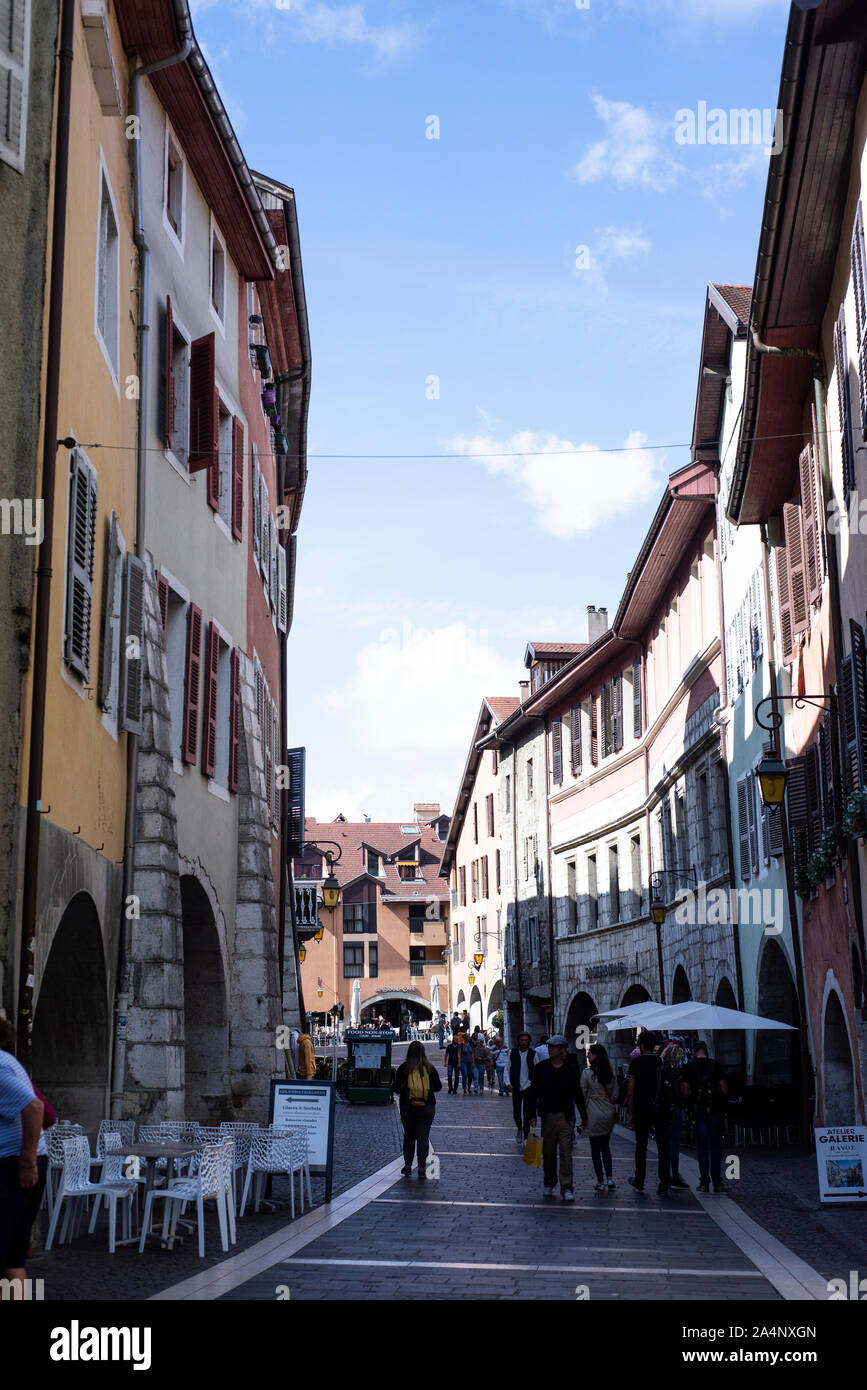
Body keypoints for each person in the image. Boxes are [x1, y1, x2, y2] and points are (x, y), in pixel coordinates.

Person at [0, 1019, 48, 1296]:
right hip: (18, 1163)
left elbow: (34, 1108)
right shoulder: (9, 1061)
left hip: (12, 1166)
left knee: (8, 1252)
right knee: (12, 1255)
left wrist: (27, 1162)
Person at [529, 1036, 588, 1202]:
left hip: (565, 1117)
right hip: (547, 1116)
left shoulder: (570, 1069)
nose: (550, 1049)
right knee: (548, 1153)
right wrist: (531, 1114)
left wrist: (584, 1116)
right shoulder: (541, 1068)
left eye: (553, 1047)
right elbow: (533, 1093)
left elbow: (577, 1094)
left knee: (565, 1153)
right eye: (549, 1046)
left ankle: (567, 1186)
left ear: (562, 1049)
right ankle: (549, 1182)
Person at [682, 1040, 729, 1193]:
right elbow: (724, 1088)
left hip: (698, 1109)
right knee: (715, 1147)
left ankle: (704, 1182)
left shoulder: (688, 1067)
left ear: (694, 1052)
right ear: (705, 1051)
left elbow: (685, 1091)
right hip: (715, 1109)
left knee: (702, 1146)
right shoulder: (716, 1065)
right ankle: (718, 1182)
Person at [392, 1040, 442, 1177]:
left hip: (407, 1106)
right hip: (427, 1106)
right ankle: (421, 1168)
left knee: (409, 1136)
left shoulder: (403, 1068)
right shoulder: (430, 1068)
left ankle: (408, 1165)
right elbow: (438, 1087)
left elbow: (395, 1089)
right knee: (423, 1137)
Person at [626, 1032, 661, 1192]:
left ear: (641, 1045)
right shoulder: (660, 1061)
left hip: (641, 1108)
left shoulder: (636, 1063)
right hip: (659, 1108)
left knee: (641, 1145)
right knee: (662, 1146)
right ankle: (664, 1182)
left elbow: (631, 1090)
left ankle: (639, 1180)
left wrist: (631, 1113)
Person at [581, 1043, 617, 1191]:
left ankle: (600, 1181)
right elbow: (615, 1094)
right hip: (608, 1111)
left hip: (593, 1112)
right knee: (605, 1147)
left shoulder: (587, 1073)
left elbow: (582, 1094)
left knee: (595, 1149)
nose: (588, 1056)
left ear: (596, 1056)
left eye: (590, 1053)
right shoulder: (611, 1072)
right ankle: (610, 1178)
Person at [657, 1043, 688, 1190]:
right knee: (674, 1145)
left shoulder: (661, 1069)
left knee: (665, 1146)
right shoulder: (675, 1072)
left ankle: (665, 1175)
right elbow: (681, 1093)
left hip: (662, 1112)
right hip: (674, 1110)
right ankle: (674, 1175)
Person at [509, 1033, 537, 1142]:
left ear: (529, 1042)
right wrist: (508, 1082)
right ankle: (519, 1128)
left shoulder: (533, 1054)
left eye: (526, 1040)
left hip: (529, 1087)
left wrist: (535, 1084)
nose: (524, 1042)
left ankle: (526, 1135)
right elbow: (507, 1068)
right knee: (516, 1112)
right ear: (518, 1041)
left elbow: (537, 1069)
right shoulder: (513, 1053)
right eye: (522, 1040)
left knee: (527, 1112)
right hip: (516, 1086)